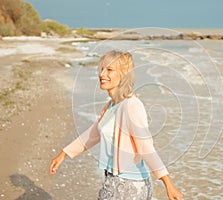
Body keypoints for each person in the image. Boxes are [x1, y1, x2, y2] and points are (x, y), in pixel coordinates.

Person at [50, 50, 182, 200]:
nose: (102, 74)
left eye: (109, 70)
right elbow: (93, 134)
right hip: (114, 181)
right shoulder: (112, 105)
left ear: (123, 74)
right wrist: (64, 154)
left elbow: (146, 147)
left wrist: (168, 183)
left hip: (130, 185)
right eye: (101, 69)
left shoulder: (131, 106)